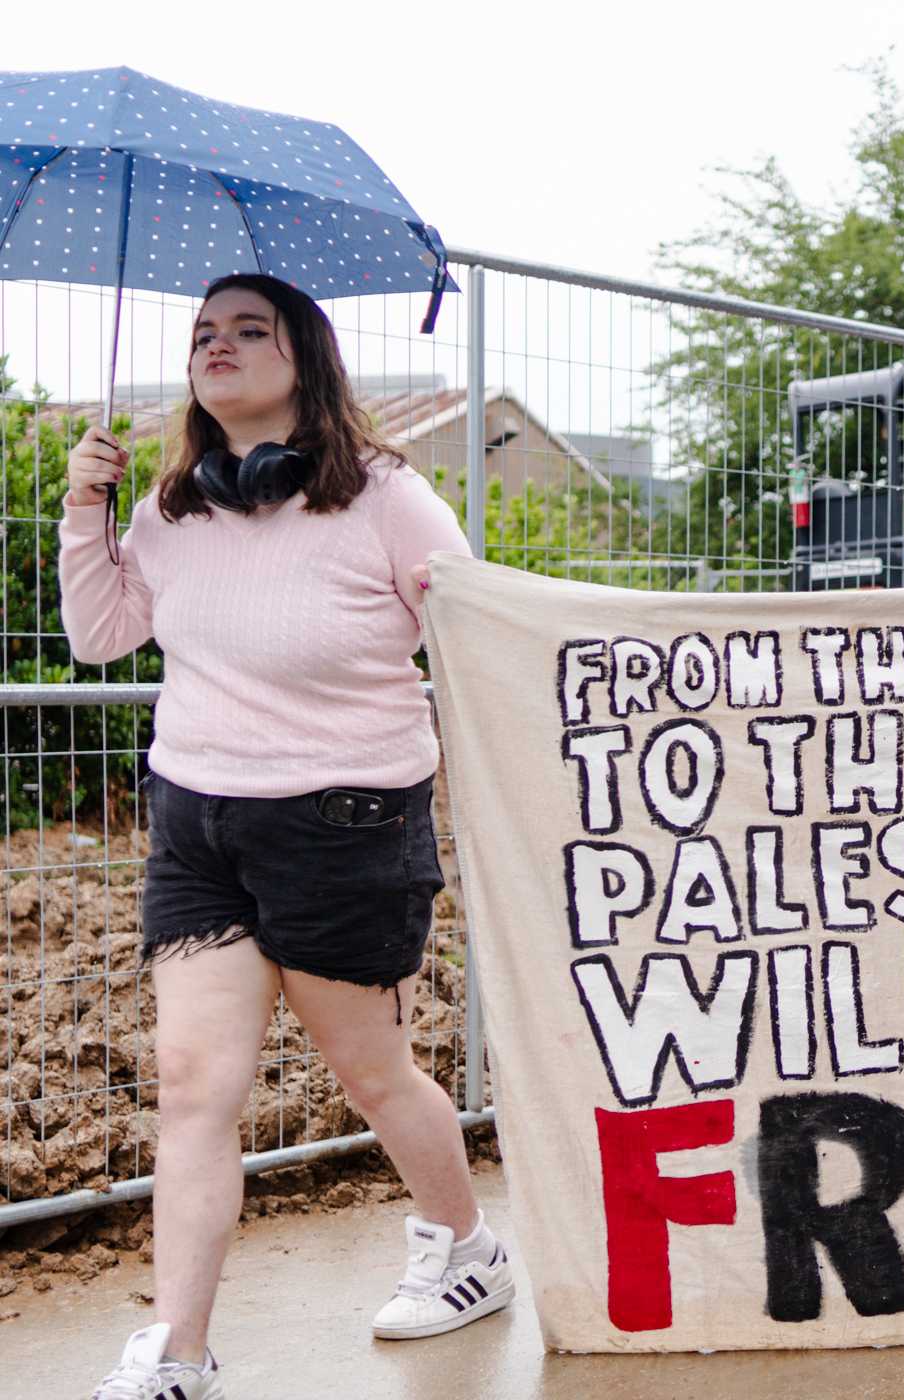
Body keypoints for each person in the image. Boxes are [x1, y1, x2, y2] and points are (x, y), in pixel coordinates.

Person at [61, 274, 500, 1400]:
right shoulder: (170, 508)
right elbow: (102, 635)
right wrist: (85, 512)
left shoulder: (389, 498)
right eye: (204, 332)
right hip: (198, 821)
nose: (219, 346)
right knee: (190, 1082)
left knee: (371, 1072)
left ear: (304, 354)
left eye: (249, 329)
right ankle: (180, 1350)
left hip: (344, 824)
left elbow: (474, 621)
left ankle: (466, 1245)